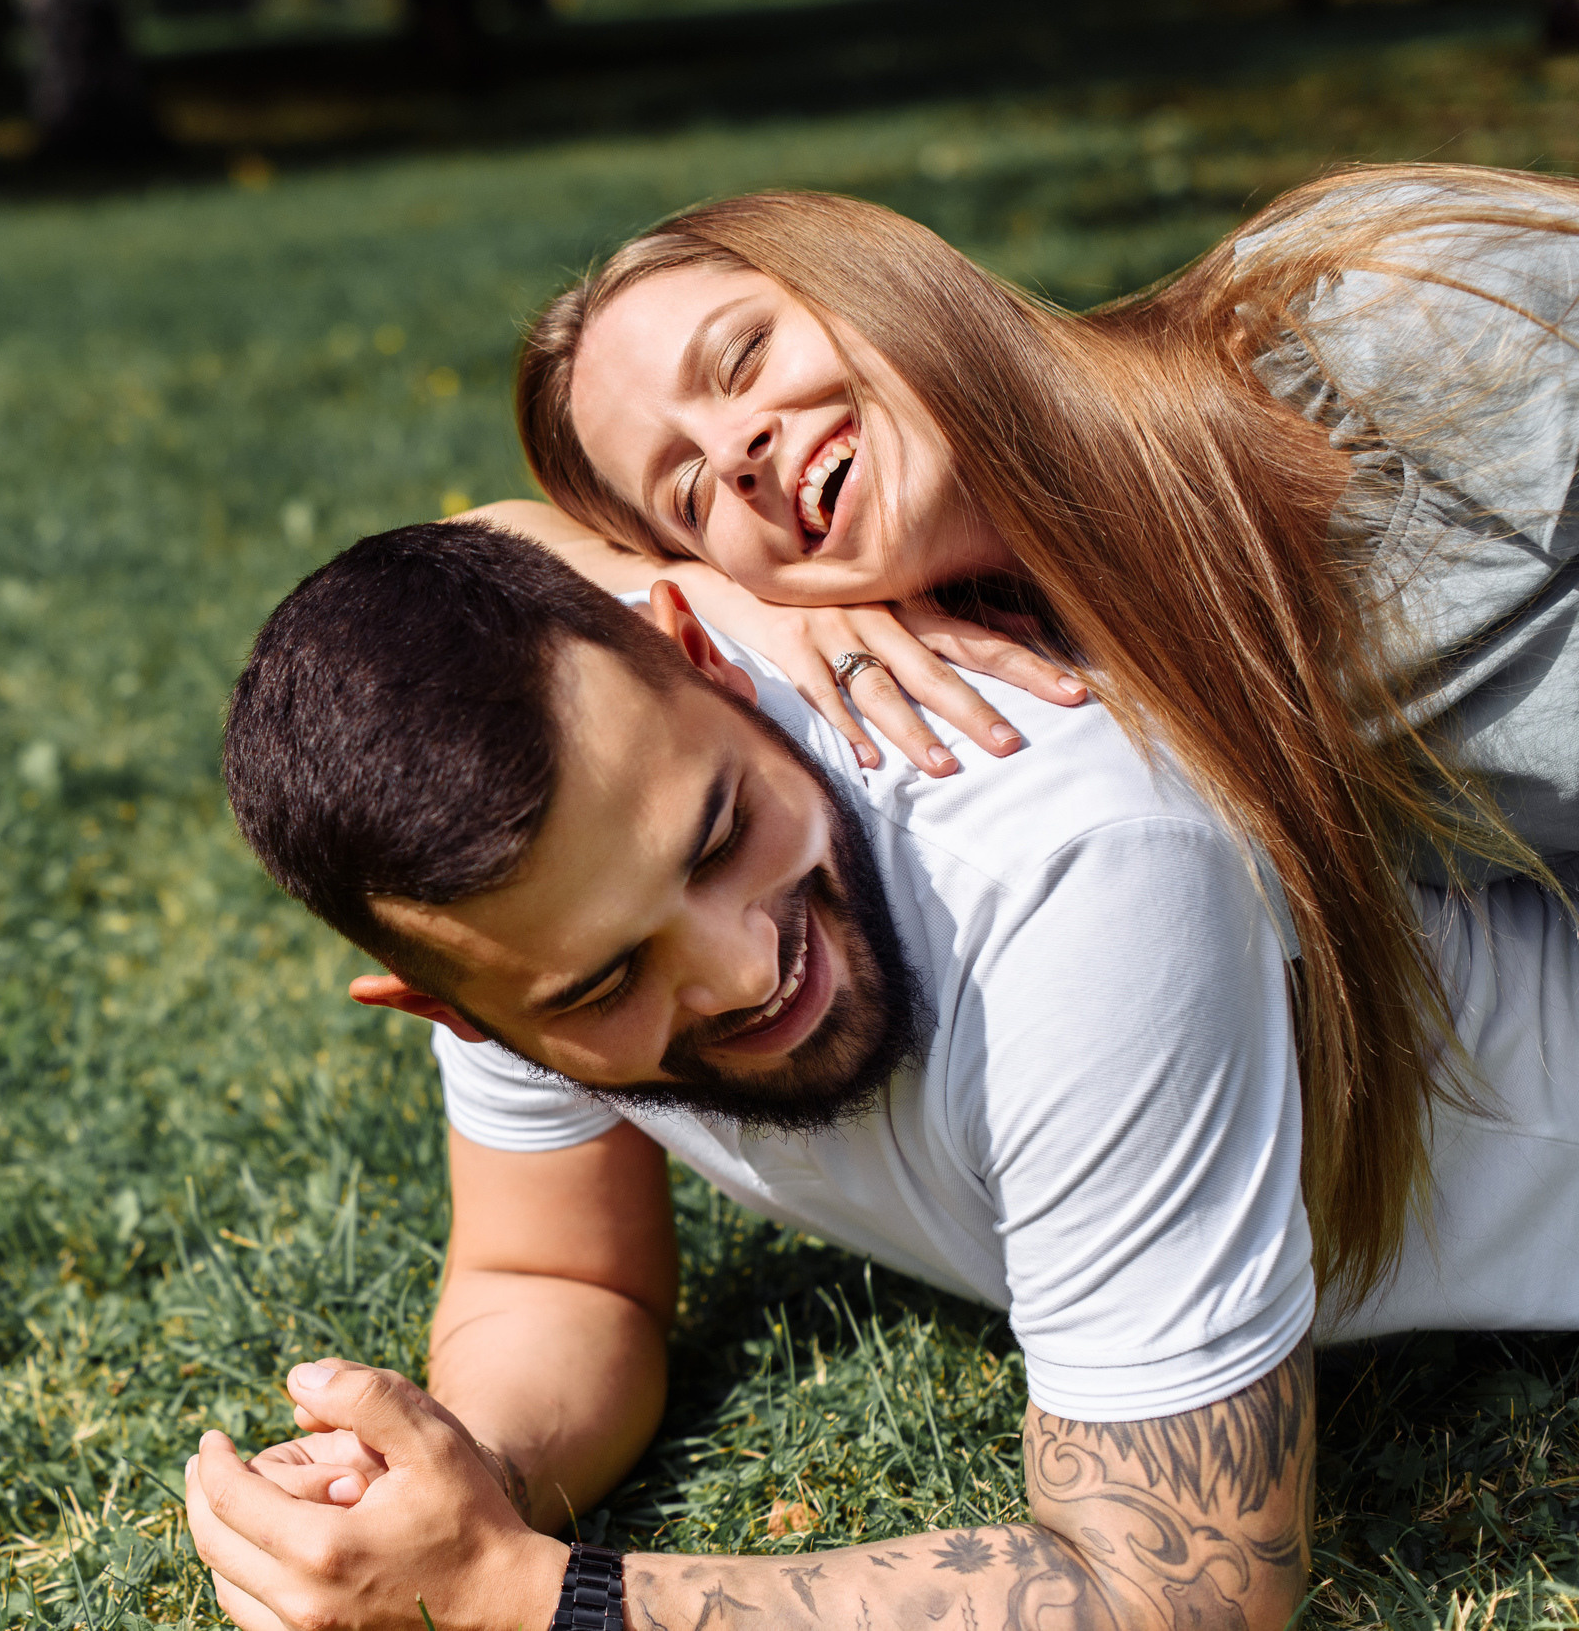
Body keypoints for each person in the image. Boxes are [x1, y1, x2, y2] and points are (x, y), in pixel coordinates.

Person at [190, 521, 1576, 1631]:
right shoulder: (534, 898)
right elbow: (560, 1280)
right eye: (609, 985)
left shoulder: (1079, 872)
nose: (741, 972)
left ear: (709, 657)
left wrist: (537, 1597)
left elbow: (1186, 1588)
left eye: (722, 832)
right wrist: (457, 1481)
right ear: (457, 1011)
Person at [490, 161, 1579, 1312]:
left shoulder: (1382, 324)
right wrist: (716, 595)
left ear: (866, 272)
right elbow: (474, 549)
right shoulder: (1065, 673)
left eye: (743, 356)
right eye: (690, 490)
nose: (741, 450)